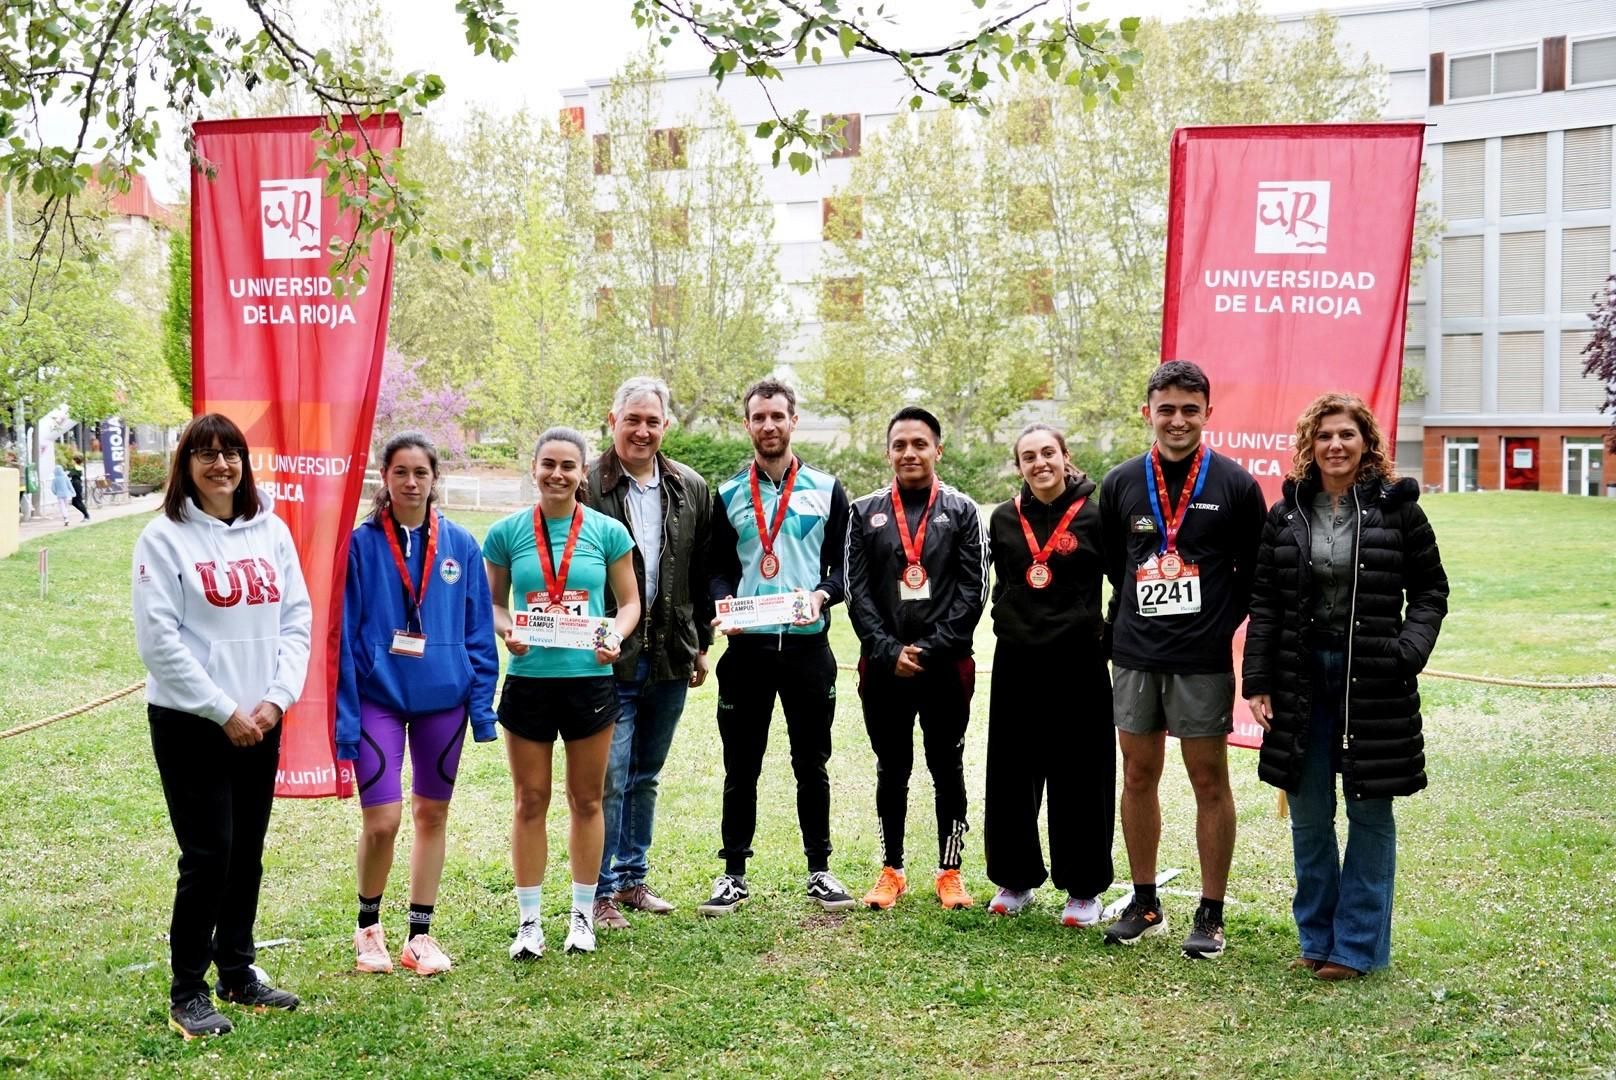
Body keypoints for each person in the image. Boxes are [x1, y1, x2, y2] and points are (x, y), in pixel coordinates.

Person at [1243, 393, 1448, 980]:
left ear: (1366, 444)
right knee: (1309, 816)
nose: (1335, 445)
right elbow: (1265, 602)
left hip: (1373, 680)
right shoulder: (1286, 514)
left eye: (1347, 435)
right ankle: (1317, 939)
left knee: (1369, 812)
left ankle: (1357, 947)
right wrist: (1258, 679)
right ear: (1310, 444)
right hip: (1299, 678)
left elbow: (1431, 591)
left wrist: (1408, 651)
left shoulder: (1398, 511)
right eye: (1325, 435)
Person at [132, 413, 311, 1039]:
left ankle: (237, 970)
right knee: (208, 855)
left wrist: (276, 700)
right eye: (205, 454)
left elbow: (296, 620)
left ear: (244, 462)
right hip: (192, 722)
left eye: (231, 452)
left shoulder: (273, 531)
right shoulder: (163, 538)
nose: (220, 464)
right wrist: (221, 710)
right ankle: (188, 991)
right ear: (186, 464)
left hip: (260, 720)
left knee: (246, 853)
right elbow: (159, 642)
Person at [1100, 360, 1265, 958]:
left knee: (1209, 780)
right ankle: (1145, 903)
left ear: (1208, 414)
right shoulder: (1121, 482)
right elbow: (1114, 563)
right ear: (1148, 412)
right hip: (1136, 655)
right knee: (1137, 775)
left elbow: (1256, 573)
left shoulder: (1235, 485)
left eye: (1189, 410)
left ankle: (1211, 913)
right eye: (1166, 409)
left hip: (1201, 659)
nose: (1177, 420)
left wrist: (1218, 624)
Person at [338, 431, 500, 976]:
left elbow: (478, 631)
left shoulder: (461, 545)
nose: (411, 482)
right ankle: (368, 928)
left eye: (421, 473)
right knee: (382, 820)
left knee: (432, 814)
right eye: (401, 472)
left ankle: (419, 936)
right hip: (378, 697)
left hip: (443, 700)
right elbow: (344, 633)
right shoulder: (360, 545)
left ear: (434, 479)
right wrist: (345, 714)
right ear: (385, 477)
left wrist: (481, 709)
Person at [700, 377, 855, 916]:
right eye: (759, 417)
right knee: (741, 765)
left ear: (793, 421)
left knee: (811, 763)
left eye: (777, 416)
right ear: (747, 425)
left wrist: (821, 594)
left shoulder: (827, 488)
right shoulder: (728, 494)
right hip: (748, 650)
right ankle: (733, 874)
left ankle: (820, 869)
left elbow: (844, 568)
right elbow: (718, 568)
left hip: (808, 649)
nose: (768, 425)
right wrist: (723, 600)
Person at [484, 427, 641, 959]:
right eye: (548, 464)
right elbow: (494, 604)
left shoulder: (607, 532)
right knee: (530, 800)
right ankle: (529, 923)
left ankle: (581, 915)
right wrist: (507, 629)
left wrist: (614, 636)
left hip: (589, 681)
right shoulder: (506, 533)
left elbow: (629, 603)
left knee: (587, 800)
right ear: (534, 468)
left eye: (568, 466)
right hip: (529, 680)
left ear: (582, 473)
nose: (557, 474)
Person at [585, 377, 714, 930]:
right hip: (607, 657)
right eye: (632, 419)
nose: (642, 430)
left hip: (670, 655)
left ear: (666, 426)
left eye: (652, 421)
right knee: (609, 776)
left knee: (646, 774)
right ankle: (598, 891)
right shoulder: (586, 485)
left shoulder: (690, 487)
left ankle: (632, 877)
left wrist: (700, 643)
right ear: (612, 420)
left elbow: (699, 573)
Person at [845, 406, 986, 911]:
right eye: (900, 445)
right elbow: (856, 590)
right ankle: (892, 869)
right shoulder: (863, 512)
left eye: (919, 444)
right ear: (888, 452)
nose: (910, 453)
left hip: (945, 666)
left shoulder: (963, 510)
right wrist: (888, 650)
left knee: (947, 766)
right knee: (892, 767)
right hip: (884, 667)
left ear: (937, 450)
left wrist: (929, 649)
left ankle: (950, 871)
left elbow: (974, 590)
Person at [983, 424, 1114, 927]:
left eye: (1048, 453)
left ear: (1065, 457)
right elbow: (1001, 583)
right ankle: (1014, 878)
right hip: (1017, 660)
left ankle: (1083, 888)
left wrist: (1104, 634)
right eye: (1029, 457)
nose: (1040, 463)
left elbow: (1123, 581)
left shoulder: (1096, 516)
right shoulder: (1003, 518)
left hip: (1078, 662)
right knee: (1011, 773)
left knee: (1080, 775)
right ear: (1019, 466)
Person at [67, 454, 90, 521]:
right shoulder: (78, 467)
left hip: (76, 485)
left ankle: (86, 515)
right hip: (76, 484)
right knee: (74, 502)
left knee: (78, 501)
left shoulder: (76, 468)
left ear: (75, 460)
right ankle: (86, 515)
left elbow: (69, 475)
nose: (72, 461)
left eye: (73, 460)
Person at [50, 461, 74, 525]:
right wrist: (73, 492)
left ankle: (65, 518)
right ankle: (66, 517)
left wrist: (56, 493)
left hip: (59, 495)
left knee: (62, 507)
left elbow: (52, 488)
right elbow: (70, 486)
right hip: (66, 494)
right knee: (66, 507)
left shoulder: (55, 479)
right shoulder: (65, 478)